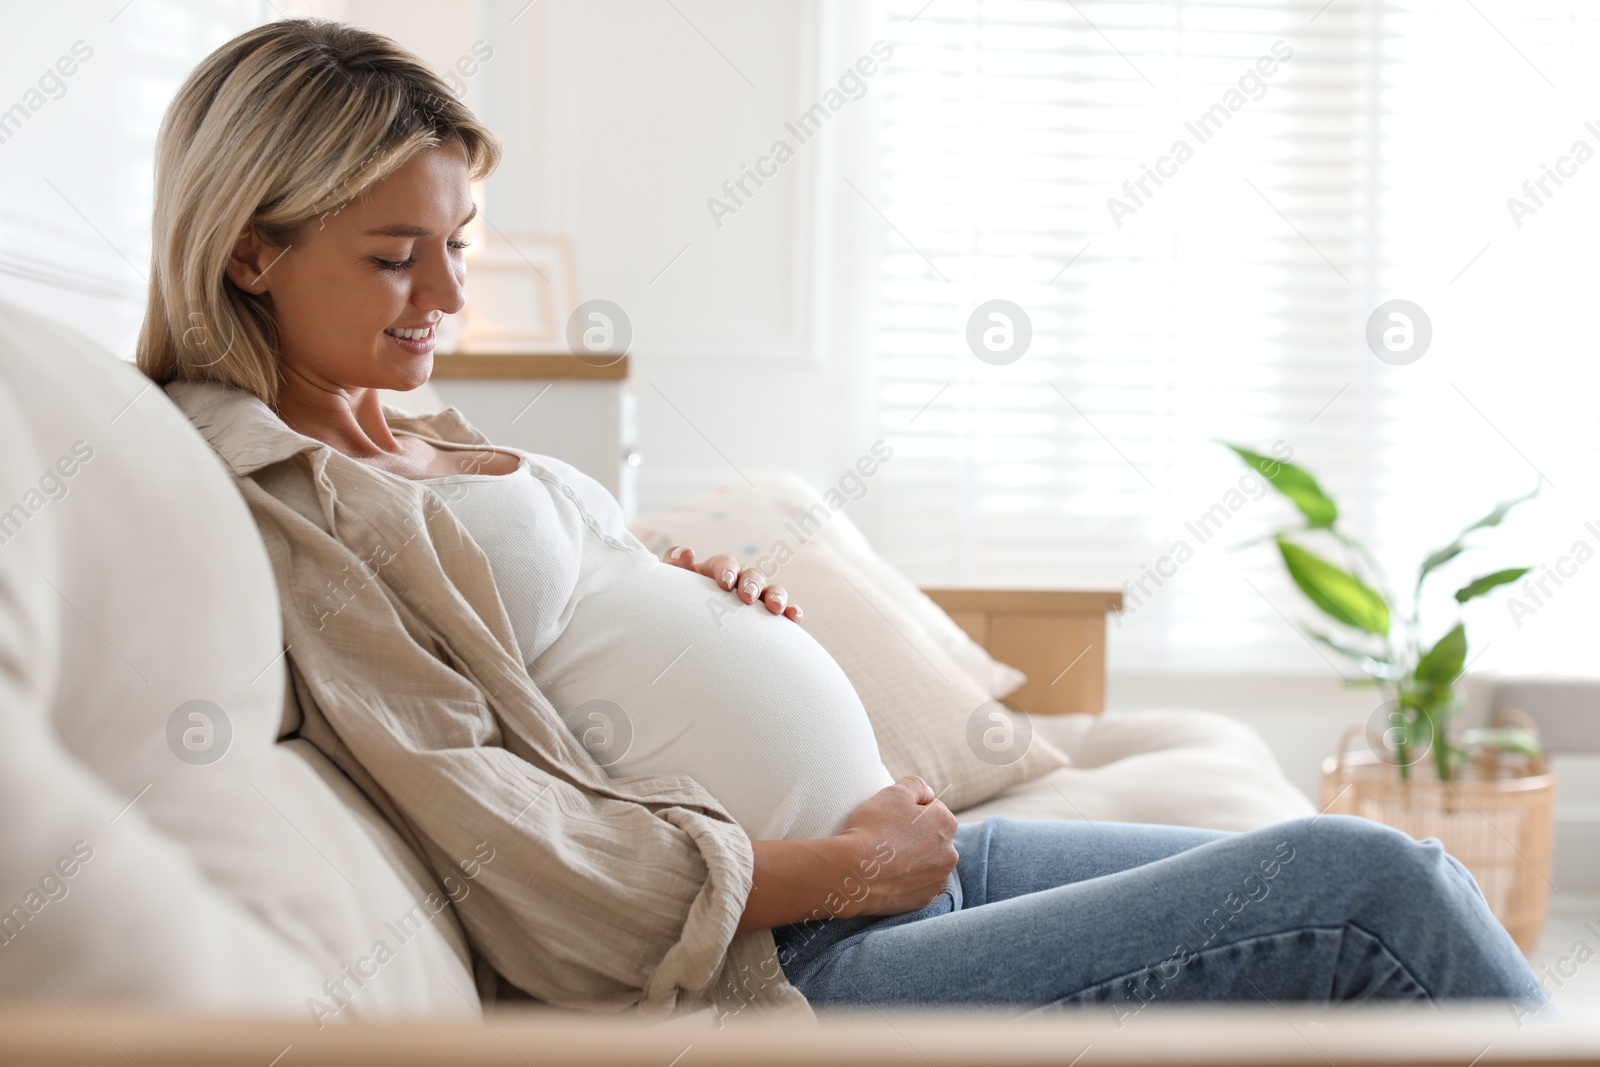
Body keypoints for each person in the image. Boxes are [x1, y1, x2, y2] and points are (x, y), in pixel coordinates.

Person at [138, 18, 1548, 1022]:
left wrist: (662, 587)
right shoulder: (281, 501)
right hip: (797, 958)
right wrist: (848, 864)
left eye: (459, 247)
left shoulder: (408, 431)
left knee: (1402, 872)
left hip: (890, 865)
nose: (445, 297)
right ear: (249, 245)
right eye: (396, 257)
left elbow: (551, 655)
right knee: (1366, 893)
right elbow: (514, 850)